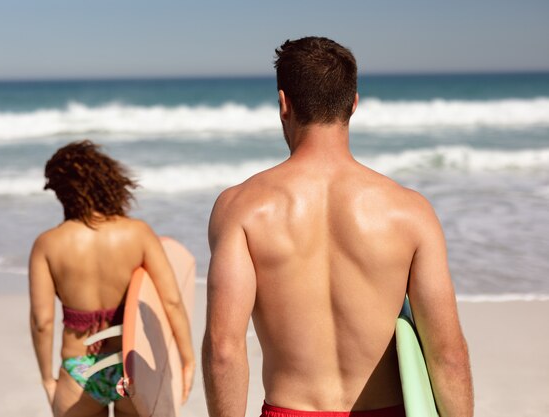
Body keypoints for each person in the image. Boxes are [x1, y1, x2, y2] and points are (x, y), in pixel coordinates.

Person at [202, 37, 473, 417]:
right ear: (354, 103)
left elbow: (224, 350)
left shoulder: (241, 209)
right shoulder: (410, 212)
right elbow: (448, 354)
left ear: (284, 104)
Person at [29, 140, 195, 417]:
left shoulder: (47, 244)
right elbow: (172, 301)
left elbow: (42, 322)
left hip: (78, 369)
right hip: (130, 367)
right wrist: (186, 361)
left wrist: (47, 378)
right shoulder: (138, 233)